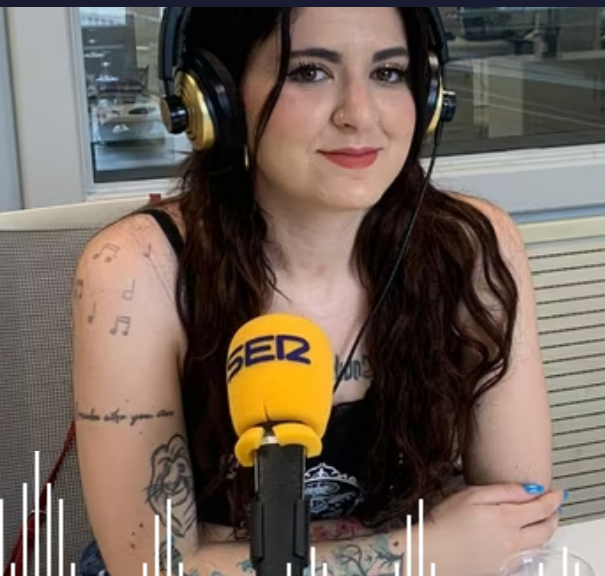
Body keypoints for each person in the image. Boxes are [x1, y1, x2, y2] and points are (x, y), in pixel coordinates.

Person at [73, 8, 566, 576]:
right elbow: (152, 567)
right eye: (308, 72)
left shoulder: (473, 246)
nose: (360, 114)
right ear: (216, 101)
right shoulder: (138, 269)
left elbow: (517, 519)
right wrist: (423, 549)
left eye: (388, 73)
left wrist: (225, 550)